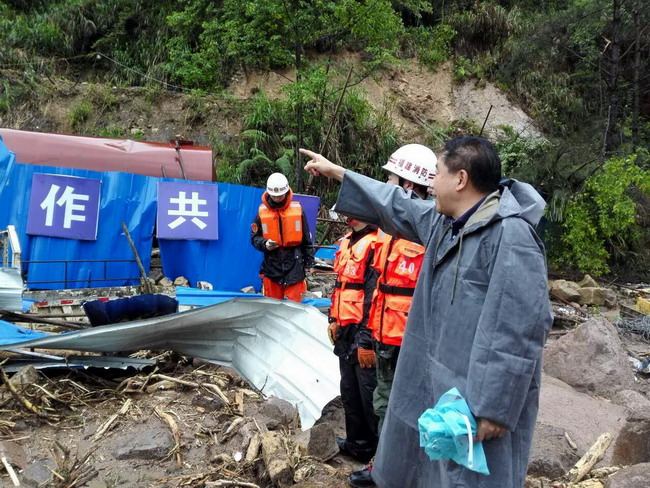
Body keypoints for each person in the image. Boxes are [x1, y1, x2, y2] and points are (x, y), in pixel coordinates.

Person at [301, 136, 553, 488]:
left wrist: (496, 406)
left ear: (460, 179)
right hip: (437, 376)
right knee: (422, 462)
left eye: (437, 174)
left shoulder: (511, 236)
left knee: (467, 474)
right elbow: (395, 203)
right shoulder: (445, 224)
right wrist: (338, 172)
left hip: (477, 393)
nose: (430, 184)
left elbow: (519, 328)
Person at [347, 144, 436, 488]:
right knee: (384, 403)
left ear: (408, 184)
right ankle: (384, 467)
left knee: (411, 409)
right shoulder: (388, 231)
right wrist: (368, 335)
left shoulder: (433, 230)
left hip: (413, 343)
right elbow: (378, 288)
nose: (386, 183)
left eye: (391, 178)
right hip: (385, 336)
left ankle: (401, 472)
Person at [329, 217, 380, 464]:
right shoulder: (347, 242)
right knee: (349, 390)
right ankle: (356, 444)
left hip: (363, 331)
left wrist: (365, 340)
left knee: (369, 395)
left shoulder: (375, 244)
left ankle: (378, 455)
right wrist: (332, 318)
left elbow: (374, 297)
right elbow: (339, 285)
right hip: (345, 329)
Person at [250, 172, 315, 302]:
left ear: (286, 192)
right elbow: (254, 237)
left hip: (294, 263)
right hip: (272, 265)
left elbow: (306, 239)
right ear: (269, 194)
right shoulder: (262, 212)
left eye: (280, 195)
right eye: (274, 196)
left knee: (296, 305)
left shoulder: (297, 210)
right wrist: (265, 243)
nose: (277, 198)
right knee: (271, 305)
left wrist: (309, 262)